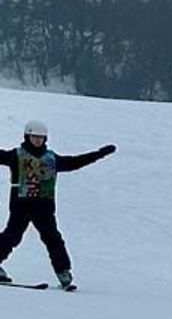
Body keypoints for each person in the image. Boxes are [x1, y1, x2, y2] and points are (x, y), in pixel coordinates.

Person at [0, 119, 116, 289]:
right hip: (21, 206)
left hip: (44, 208)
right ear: (27, 136)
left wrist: (98, 154)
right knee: (11, 237)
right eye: (35, 137)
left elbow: (74, 162)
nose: (38, 140)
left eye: (41, 137)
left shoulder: (52, 159)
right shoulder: (16, 155)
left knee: (53, 239)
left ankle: (63, 272)